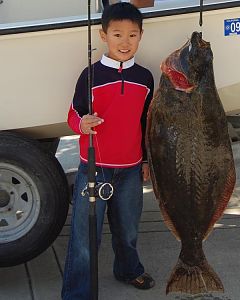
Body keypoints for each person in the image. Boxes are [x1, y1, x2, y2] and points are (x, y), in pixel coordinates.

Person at [61, 3, 155, 299]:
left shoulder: (146, 78)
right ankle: (77, 293)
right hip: (95, 168)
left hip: (131, 169)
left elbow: (146, 123)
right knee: (85, 238)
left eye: (132, 35)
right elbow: (73, 114)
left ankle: (128, 269)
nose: (124, 42)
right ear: (103, 36)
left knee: (127, 231)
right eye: (117, 34)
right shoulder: (90, 75)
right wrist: (82, 124)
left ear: (141, 36)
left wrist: (146, 160)